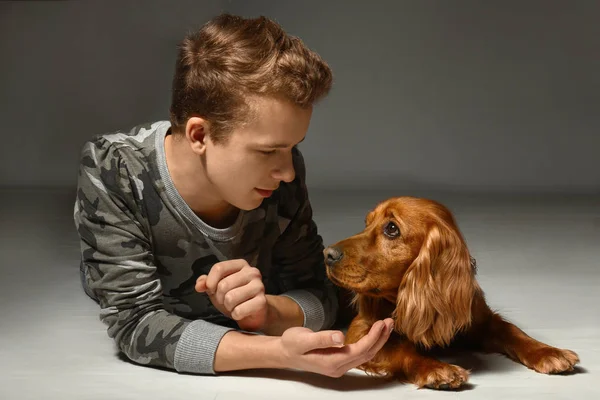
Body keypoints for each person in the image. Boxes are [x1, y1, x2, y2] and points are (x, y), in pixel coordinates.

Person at [73, 13, 394, 378]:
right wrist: (279, 352)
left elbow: (320, 290)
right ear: (199, 135)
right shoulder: (113, 168)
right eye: (267, 151)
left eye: (292, 148)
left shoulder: (282, 173)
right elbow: (136, 325)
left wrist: (269, 314)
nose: (288, 172)